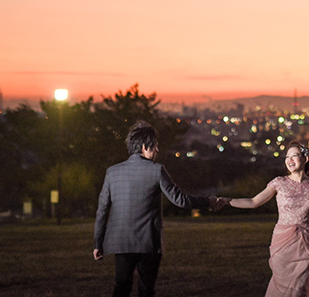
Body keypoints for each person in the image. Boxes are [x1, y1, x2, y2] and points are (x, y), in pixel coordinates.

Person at [93, 121, 219, 297]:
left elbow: (102, 210)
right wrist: (209, 202)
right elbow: (180, 200)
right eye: (155, 146)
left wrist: (98, 243)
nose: (157, 150)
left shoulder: (112, 172)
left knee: (121, 286)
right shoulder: (157, 170)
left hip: (121, 241)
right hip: (148, 241)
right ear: (145, 146)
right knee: (146, 290)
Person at [221, 141, 309, 297]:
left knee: (299, 289)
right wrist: (227, 201)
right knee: (281, 287)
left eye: (294, 156)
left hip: (306, 245)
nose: (290, 160)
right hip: (283, 243)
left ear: (305, 158)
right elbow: (254, 202)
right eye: (287, 157)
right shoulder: (279, 183)